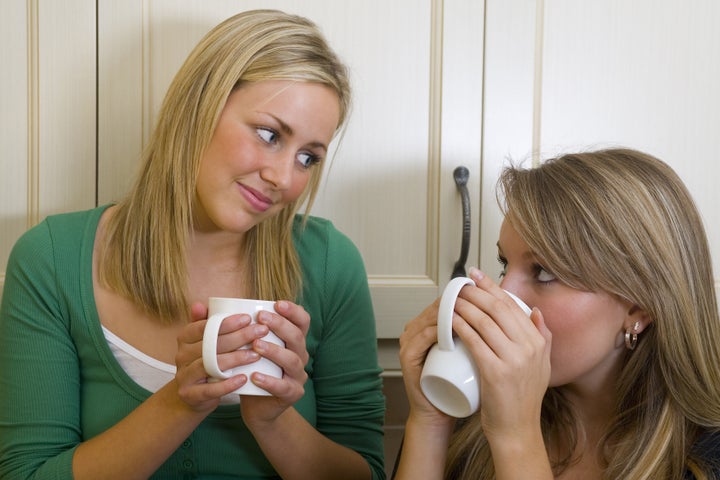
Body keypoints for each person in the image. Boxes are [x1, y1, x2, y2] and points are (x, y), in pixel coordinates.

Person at [0, 9, 385, 480]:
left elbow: (367, 472)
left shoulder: (329, 265)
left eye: (308, 157)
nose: (284, 179)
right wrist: (179, 404)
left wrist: (274, 422)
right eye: (269, 135)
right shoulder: (51, 260)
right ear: (200, 104)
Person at [395, 148, 720, 479]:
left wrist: (517, 439)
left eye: (545, 272)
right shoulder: (475, 418)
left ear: (638, 307)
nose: (504, 293)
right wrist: (430, 422)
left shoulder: (707, 458)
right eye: (504, 265)